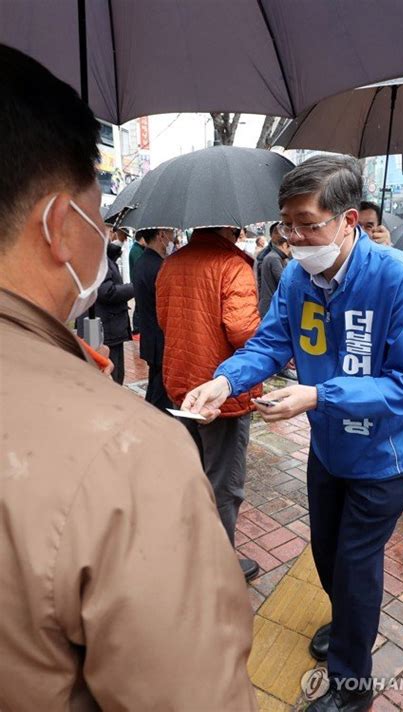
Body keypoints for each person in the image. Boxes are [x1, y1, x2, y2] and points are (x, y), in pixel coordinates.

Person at [0, 45, 257, 712]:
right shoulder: (127, 454)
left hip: (173, 380)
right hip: (214, 395)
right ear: (60, 224)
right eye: (97, 205)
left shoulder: (171, 265)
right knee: (222, 481)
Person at [181, 155, 403, 712]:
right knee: (325, 553)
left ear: (348, 221)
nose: (293, 238)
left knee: (355, 562)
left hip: (385, 454)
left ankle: (351, 683)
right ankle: (348, 623)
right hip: (330, 447)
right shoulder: (297, 277)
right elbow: (271, 344)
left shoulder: (399, 277)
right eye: (286, 224)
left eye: (307, 222)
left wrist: (318, 395)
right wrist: (224, 382)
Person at [156, 226, 262, 582]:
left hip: (180, 383)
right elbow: (243, 332)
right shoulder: (233, 266)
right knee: (224, 485)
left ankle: (188, 549)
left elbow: (161, 319)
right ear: (231, 226)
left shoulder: (171, 263)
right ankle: (218, 569)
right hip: (222, 394)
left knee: (191, 474)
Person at [132, 228, 174, 411]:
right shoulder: (158, 266)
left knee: (155, 387)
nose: (173, 237)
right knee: (160, 396)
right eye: (170, 233)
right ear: (161, 235)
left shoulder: (143, 261)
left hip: (151, 337)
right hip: (160, 339)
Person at [94, 241, 134, 385]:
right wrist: (132, 288)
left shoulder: (107, 257)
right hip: (107, 327)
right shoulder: (99, 259)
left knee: (117, 374)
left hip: (112, 327)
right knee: (113, 377)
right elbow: (106, 292)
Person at [259, 233, 291, 317]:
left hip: (270, 304)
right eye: (289, 247)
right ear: (284, 245)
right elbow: (283, 280)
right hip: (271, 305)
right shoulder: (274, 258)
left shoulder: (273, 256)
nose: (290, 251)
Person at [255, 221, 280, 292]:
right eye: (276, 232)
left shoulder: (291, 251)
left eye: (282, 231)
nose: (280, 235)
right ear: (271, 235)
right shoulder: (263, 255)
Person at [129, 232, 146, 333]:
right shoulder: (136, 250)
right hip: (137, 282)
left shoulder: (139, 249)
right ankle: (136, 328)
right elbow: (140, 266)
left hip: (136, 281)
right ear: (142, 239)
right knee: (139, 305)